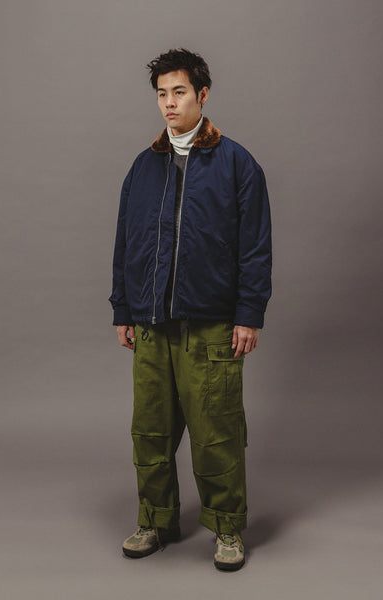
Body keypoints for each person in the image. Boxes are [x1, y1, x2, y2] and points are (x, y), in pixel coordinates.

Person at [109, 48, 272, 571]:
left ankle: (227, 527)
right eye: (162, 94)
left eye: (179, 92)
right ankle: (155, 520)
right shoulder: (144, 166)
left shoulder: (237, 164)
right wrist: (123, 309)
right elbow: (126, 243)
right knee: (150, 430)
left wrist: (249, 313)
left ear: (202, 95)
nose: (169, 103)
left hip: (211, 325)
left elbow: (255, 247)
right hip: (152, 324)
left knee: (216, 432)